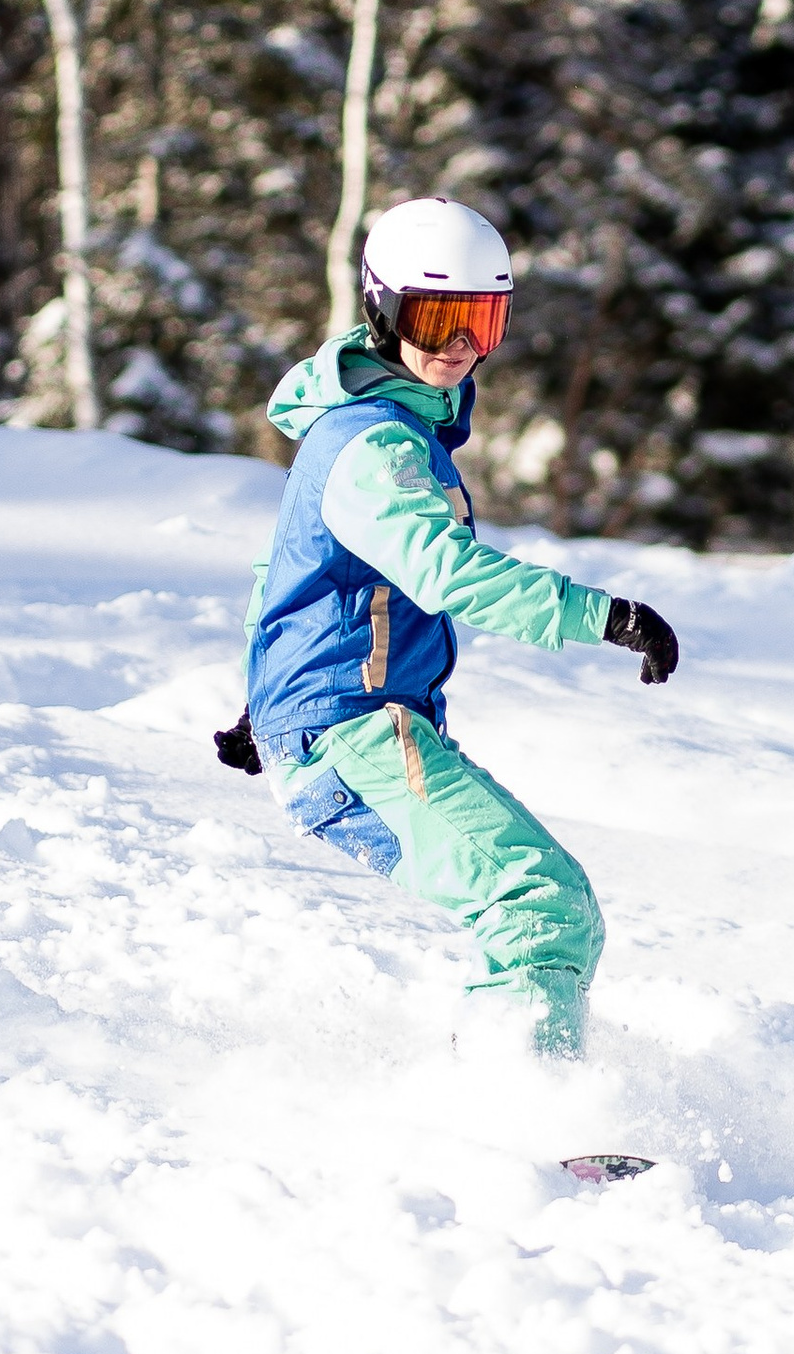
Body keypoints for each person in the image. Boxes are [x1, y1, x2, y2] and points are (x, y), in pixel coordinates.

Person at [215, 197, 680, 1059]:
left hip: (341, 724)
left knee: (543, 901)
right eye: (437, 318)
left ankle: (505, 1100)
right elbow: (445, 569)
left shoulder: (374, 432)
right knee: (537, 899)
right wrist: (603, 615)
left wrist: (265, 706)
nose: (460, 345)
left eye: (482, 321)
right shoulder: (374, 444)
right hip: (352, 730)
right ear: (382, 310)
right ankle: (520, 1113)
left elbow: (284, 569)